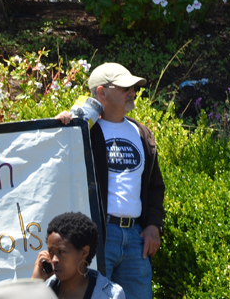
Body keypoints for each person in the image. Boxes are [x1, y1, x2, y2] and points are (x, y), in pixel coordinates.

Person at [56, 63, 165, 299]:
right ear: (101, 93)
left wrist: (153, 226)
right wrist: (60, 127)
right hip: (98, 235)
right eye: (125, 87)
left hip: (136, 238)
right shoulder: (82, 131)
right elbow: (55, 166)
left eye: (133, 87)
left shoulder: (141, 133)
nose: (133, 92)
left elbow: (155, 187)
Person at [31, 212, 125, 299]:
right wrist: (34, 286)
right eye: (51, 252)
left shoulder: (111, 295)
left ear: (84, 252)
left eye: (62, 252)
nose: (54, 260)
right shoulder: (42, 290)